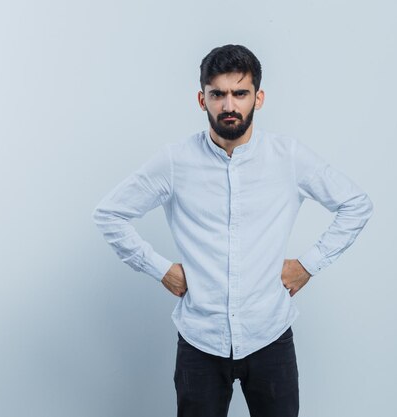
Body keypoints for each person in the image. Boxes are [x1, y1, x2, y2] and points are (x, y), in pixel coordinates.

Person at [92, 44, 373, 417]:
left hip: (270, 336)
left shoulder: (287, 157)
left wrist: (309, 264)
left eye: (240, 93)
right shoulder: (176, 162)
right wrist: (159, 269)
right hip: (200, 342)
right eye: (218, 94)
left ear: (258, 97)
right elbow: (110, 213)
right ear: (201, 98)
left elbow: (356, 204)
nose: (229, 105)